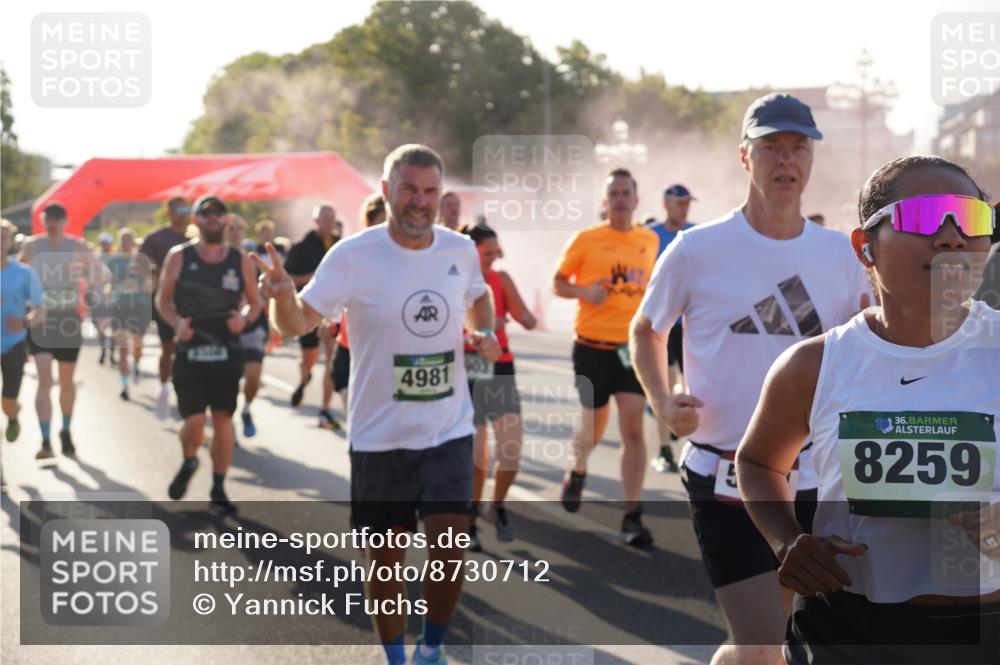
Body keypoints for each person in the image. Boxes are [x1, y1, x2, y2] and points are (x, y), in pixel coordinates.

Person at [631, 92, 871, 665]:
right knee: (765, 643)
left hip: (813, 475)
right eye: (771, 148)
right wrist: (664, 402)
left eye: (796, 148)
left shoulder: (840, 254)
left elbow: (862, 351)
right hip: (724, 474)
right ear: (746, 157)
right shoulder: (697, 249)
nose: (785, 161)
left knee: (768, 642)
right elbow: (646, 329)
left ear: (810, 161)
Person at [736, 155, 999, 665]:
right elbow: (758, 462)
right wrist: (787, 541)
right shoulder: (813, 365)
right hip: (847, 631)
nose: (952, 238)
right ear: (865, 247)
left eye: (973, 219)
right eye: (923, 217)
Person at [257, 144, 500, 665]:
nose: (419, 202)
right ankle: (395, 658)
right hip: (379, 437)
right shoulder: (352, 255)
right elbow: (298, 322)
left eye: (430, 191)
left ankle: (430, 651)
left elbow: (479, 296)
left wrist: (483, 331)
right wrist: (280, 294)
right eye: (409, 189)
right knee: (385, 564)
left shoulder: (458, 250)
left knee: (449, 551)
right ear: (386, 191)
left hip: (447, 430)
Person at [554, 167, 659, 546]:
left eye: (625, 193)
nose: (619, 199)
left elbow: (655, 290)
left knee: (633, 427)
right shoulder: (586, 238)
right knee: (592, 430)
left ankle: (632, 515)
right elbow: (558, 282)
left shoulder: (649, 240)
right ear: (605, 201)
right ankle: (577, 469)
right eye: (612, 193)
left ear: (635, 199)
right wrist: (584, 291)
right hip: (591, 347)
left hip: (630, 350)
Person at [156, 195, 262, 514]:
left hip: (226, 349)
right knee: (193, 423)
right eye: (207, 214)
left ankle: (218, 486)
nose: (213, 219)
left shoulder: (239, 259)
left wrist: (242, 319)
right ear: (196, 220)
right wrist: (176, 324)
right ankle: (190, 461)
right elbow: (162, 300)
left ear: (226, 220)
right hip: (190, 348)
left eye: (219, 214)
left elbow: (255, 302)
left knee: (222, 418)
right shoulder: (179, 256)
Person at [462, 223, 537, 551]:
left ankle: (497, 505)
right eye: (485, 254)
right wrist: (480, 326)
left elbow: (527, 317)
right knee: (479, 454)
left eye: (495, 252)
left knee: (511, 450)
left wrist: (523, 319)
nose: (493, 259)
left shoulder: (501, 279)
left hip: (501, 367)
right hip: (469, 368)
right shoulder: (458, 281)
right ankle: (470, 518)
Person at [20, 202, 107, 459]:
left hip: (69, 319)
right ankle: (45, 440)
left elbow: (100, 274)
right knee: (45, 379)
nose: (52, 223)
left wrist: (92, 285)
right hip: (41, 320)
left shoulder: (78, 246)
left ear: (65, 221)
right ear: (43, 220)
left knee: (66, 381)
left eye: (57, 219)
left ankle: (66, 431)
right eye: (48, 218)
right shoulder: (32, 246)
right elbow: (17, 275)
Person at [646, 183, 698, 474]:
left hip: (689, 324)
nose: (684, 208)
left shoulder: (695, 234)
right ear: (666, 204)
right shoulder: (650, 235)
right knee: (663, 386)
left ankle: (693, 441)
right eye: (679, 203)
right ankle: (664, 449)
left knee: (692, 386)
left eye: (688, 203)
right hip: (660, 324)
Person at [329, 194, 388, 427]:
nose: (385, 229)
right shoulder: (351, 254)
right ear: (368, 222)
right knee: (358, 425)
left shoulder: (407, 260)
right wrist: (330, 322)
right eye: (380, 222)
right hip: (349, 350)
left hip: (383, 356)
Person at [283, 203, 341, 418]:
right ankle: (304, 377)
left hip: (335, 312)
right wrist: (311, 279)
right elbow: (286, 279)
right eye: (324, 218)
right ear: (316, 221)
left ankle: (325, 409)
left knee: (331, 358)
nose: (329, 222)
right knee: (309, 356)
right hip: (308, 309)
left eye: (332, 218)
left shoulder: (341, 246)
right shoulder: (301, 248)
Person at [140, 196, 192, 419]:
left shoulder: (195, 238)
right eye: (178, 208)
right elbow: (138, 264)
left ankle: (187, 392)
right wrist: (155, 271)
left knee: (189, 349)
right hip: (165, 301)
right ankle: (163, 388)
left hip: (192, 302)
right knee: (168, 348)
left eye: (186, 208)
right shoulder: (156, 238)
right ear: (169, 212)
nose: (183, 212)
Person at [1, 219, 44, 446]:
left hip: (13, 344)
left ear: (9, 242)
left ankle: (13, 415)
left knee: (7, 402)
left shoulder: (24, 273)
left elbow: (40, 311)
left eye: (3, 237)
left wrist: (24, 322)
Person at [226, 215, 265, 437]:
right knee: (229, 381)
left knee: (253, 375)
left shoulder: (250, 259)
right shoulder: (212, 259)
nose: (235, 232)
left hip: (251, 327)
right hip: (225, 331)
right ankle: (227, 425)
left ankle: (247, 409)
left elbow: (261, 295)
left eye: (239, 228)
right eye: (231, 228)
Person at [104, 228, 152, 400]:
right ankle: (125, 385)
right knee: (122, 348)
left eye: (128, 240)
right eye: (123, 240)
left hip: (139, 307)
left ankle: (137, 364)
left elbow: (149, 283)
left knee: (137, 346)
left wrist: (142, 285)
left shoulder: (142, 261)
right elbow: (107, 282)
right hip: (120, 307)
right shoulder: (114, 261)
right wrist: (110, 290)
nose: (126, 243)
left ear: (133, 242)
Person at [95, 232, 116, 365]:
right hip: (98, 299)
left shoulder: (116, 259)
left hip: (114, 299)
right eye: (103, 243)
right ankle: (103, 350)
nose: (104, 245)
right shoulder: (95, 258)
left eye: (106, 243)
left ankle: (112, 353)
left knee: (114, 326)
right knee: (99, 326)